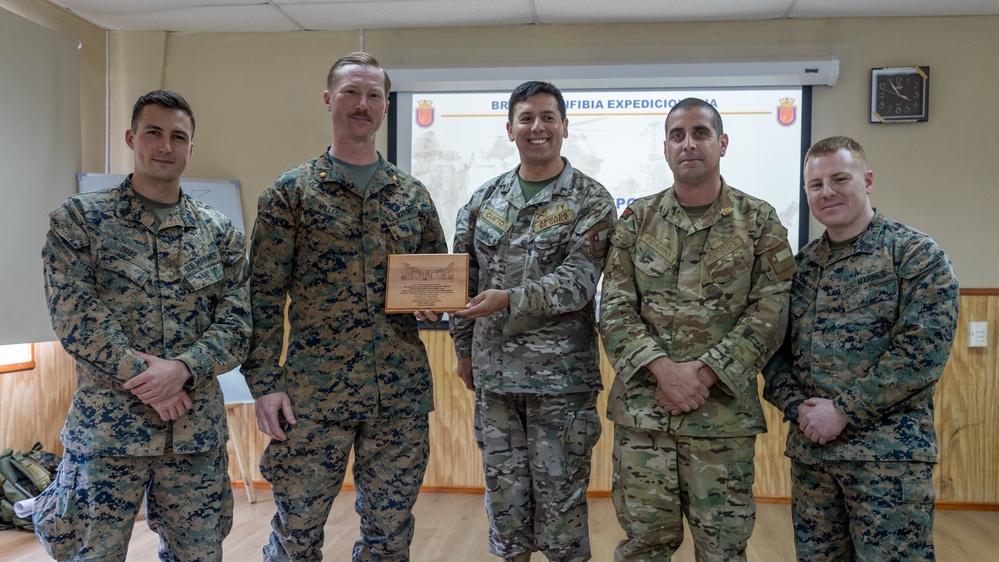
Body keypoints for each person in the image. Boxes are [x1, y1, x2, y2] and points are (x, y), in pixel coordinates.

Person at [241, 52, 447, 561]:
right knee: (297, 534)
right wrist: (265, 386)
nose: (363, 104)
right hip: (313, 397)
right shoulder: (290, 194)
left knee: (390, 536)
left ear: (385, 107)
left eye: (374, 95)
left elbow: (440, 281)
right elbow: (261, 296)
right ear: (329, 99)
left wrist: (435, 308)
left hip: (398, 396)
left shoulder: (413, 197)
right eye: (352, 92)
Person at [35, 90, 250, 561]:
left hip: (193, 436)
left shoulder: (220, 234)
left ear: (191, 149)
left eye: (178, 136)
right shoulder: (81, 222)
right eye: (154, 133)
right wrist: (153, 379)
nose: (165, 146)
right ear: (133, 138)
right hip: (108, 433)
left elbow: (237, 324)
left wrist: (183, 369)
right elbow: (75, 313)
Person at [597, 97, 795, 561]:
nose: (689, 144)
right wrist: (665, 372)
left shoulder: (759, 220)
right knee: (644, 547)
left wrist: (702, 375)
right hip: (645, 419)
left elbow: (772, 311)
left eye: (701, 133)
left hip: (721, 422)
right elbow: (615, 309)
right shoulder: (636, 221)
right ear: (665, 149)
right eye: (677, 135)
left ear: (721, 143)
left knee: (723, 550)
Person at [432, 80, 616, 562]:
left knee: (563, 514)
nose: (538, 127)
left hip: (562, 386)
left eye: (548, 117)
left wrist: (508, 298)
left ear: (564, 127)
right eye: (527, 118)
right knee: (506, 511)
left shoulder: (591, 200)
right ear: (510, 127)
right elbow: (462, 279)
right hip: (495, 382)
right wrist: (463, 350)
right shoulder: (483, 200)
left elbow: (578, 282)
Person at [762, 136, 959, 561]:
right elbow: (774, 354)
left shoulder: (916, 255)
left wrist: (843, 411)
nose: (827, 192)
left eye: (839, 179)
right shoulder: (802, 268)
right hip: (814, 459)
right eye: (815, 185)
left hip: (888, 461)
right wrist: (799, 408)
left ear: (867, 181)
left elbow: (921, 352)